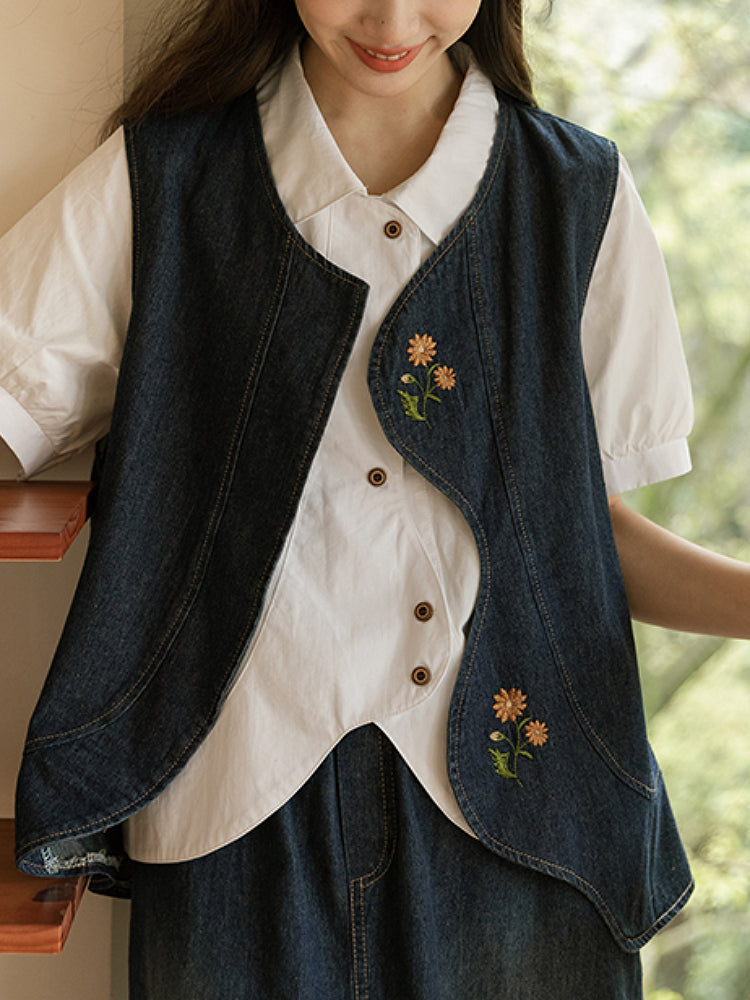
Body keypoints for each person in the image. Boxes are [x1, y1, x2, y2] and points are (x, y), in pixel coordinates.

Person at [1, 1, 748, 997]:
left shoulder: (577, 195)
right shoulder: (164, 182)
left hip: (530, 825)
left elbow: (580, 543)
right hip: (236, 806)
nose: (392, 16)